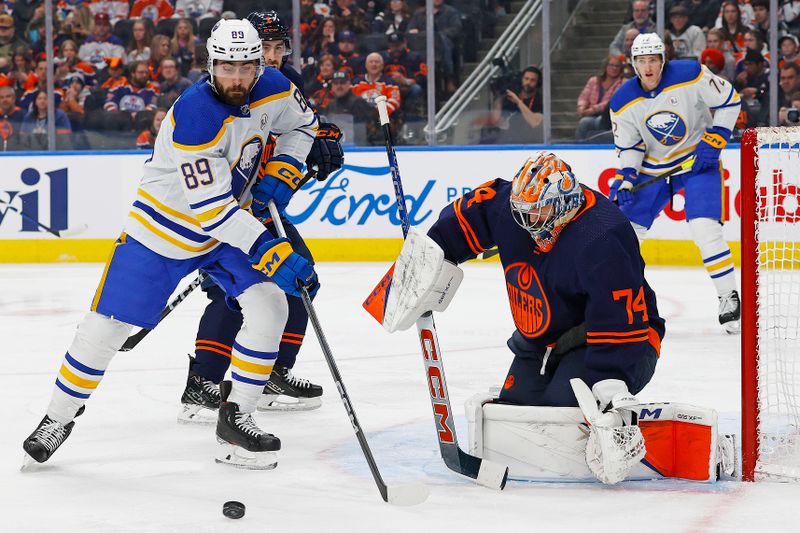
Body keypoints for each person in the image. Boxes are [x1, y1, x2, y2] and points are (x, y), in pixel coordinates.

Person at [22, 18, 318, 471]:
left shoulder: (275, 86)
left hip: (228, 228)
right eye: (226, 68)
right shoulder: (194, 117)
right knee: (105, 329)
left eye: (245, 68)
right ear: (209, 63)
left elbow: (304, 127)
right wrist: (270, 249)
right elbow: (211, 212)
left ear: (259, 65)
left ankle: (236, 416)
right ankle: (57, 418)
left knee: (271, 306)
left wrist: (286, 168)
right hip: (163, 231)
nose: (236, 78)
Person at [373, 152, 664, 483]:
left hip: (618, 341)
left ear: (565, 204)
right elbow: (462, 220)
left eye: (538, 212)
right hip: (541, 342)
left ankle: (635, 434)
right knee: (516, 413)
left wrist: (610, 391)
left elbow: (619, 321)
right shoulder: (509, 207)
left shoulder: (602, 236)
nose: (529, 223)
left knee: (562, 415)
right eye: (523, 213)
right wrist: (424, 261)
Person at [177, 10, 344, 424]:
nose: (270, 56)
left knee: (300, 278)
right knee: (232, 292)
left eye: (276, 48)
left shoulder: (283, 83)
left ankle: (270, 373)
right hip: (220, 207)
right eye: (262, 48)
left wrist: (321, 142)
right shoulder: (220, 90)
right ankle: (203, 382)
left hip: (256, 203)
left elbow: (302, 129)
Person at [608, 33, 742, 333]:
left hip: (697, 162)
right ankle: (621, 302)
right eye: (642, 61)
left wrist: (716, 137)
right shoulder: (621, 102)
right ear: (634, 64)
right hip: (654, 171)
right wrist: (628, 179)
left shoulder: (690, 74)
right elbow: (630, 148)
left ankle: (728, 296)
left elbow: (730, 100)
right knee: (625, 236)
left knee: (705, 229)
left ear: (662, 60)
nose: (648, 66)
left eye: (653, 59)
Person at [575, 55, 625, 141]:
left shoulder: (622, 83)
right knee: (584, 121)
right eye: (611, 65)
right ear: (605, 66)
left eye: (617, 66)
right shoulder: (594, 80)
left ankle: (581, 145)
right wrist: (581, 107)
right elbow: (584, 96)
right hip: (591, 114)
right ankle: (579, 146)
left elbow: (610, 102)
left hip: (607, 116)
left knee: (585, 122)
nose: (614, 68)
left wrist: (592, 110)